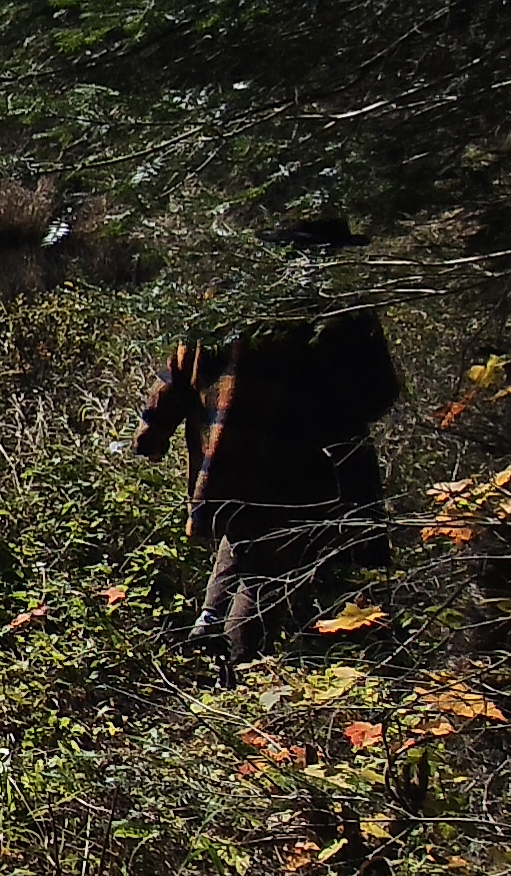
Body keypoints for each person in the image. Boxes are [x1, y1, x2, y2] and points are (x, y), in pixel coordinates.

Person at [134, 261, 404, 663]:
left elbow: (179, 370)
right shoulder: (338, 307)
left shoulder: (225, 293)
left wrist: (152, 430)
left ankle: (207, 626)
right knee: (266, 570)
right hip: (296, 462)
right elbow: (377, 391)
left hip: (226, 459)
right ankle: (238, 676)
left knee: (242, 534)